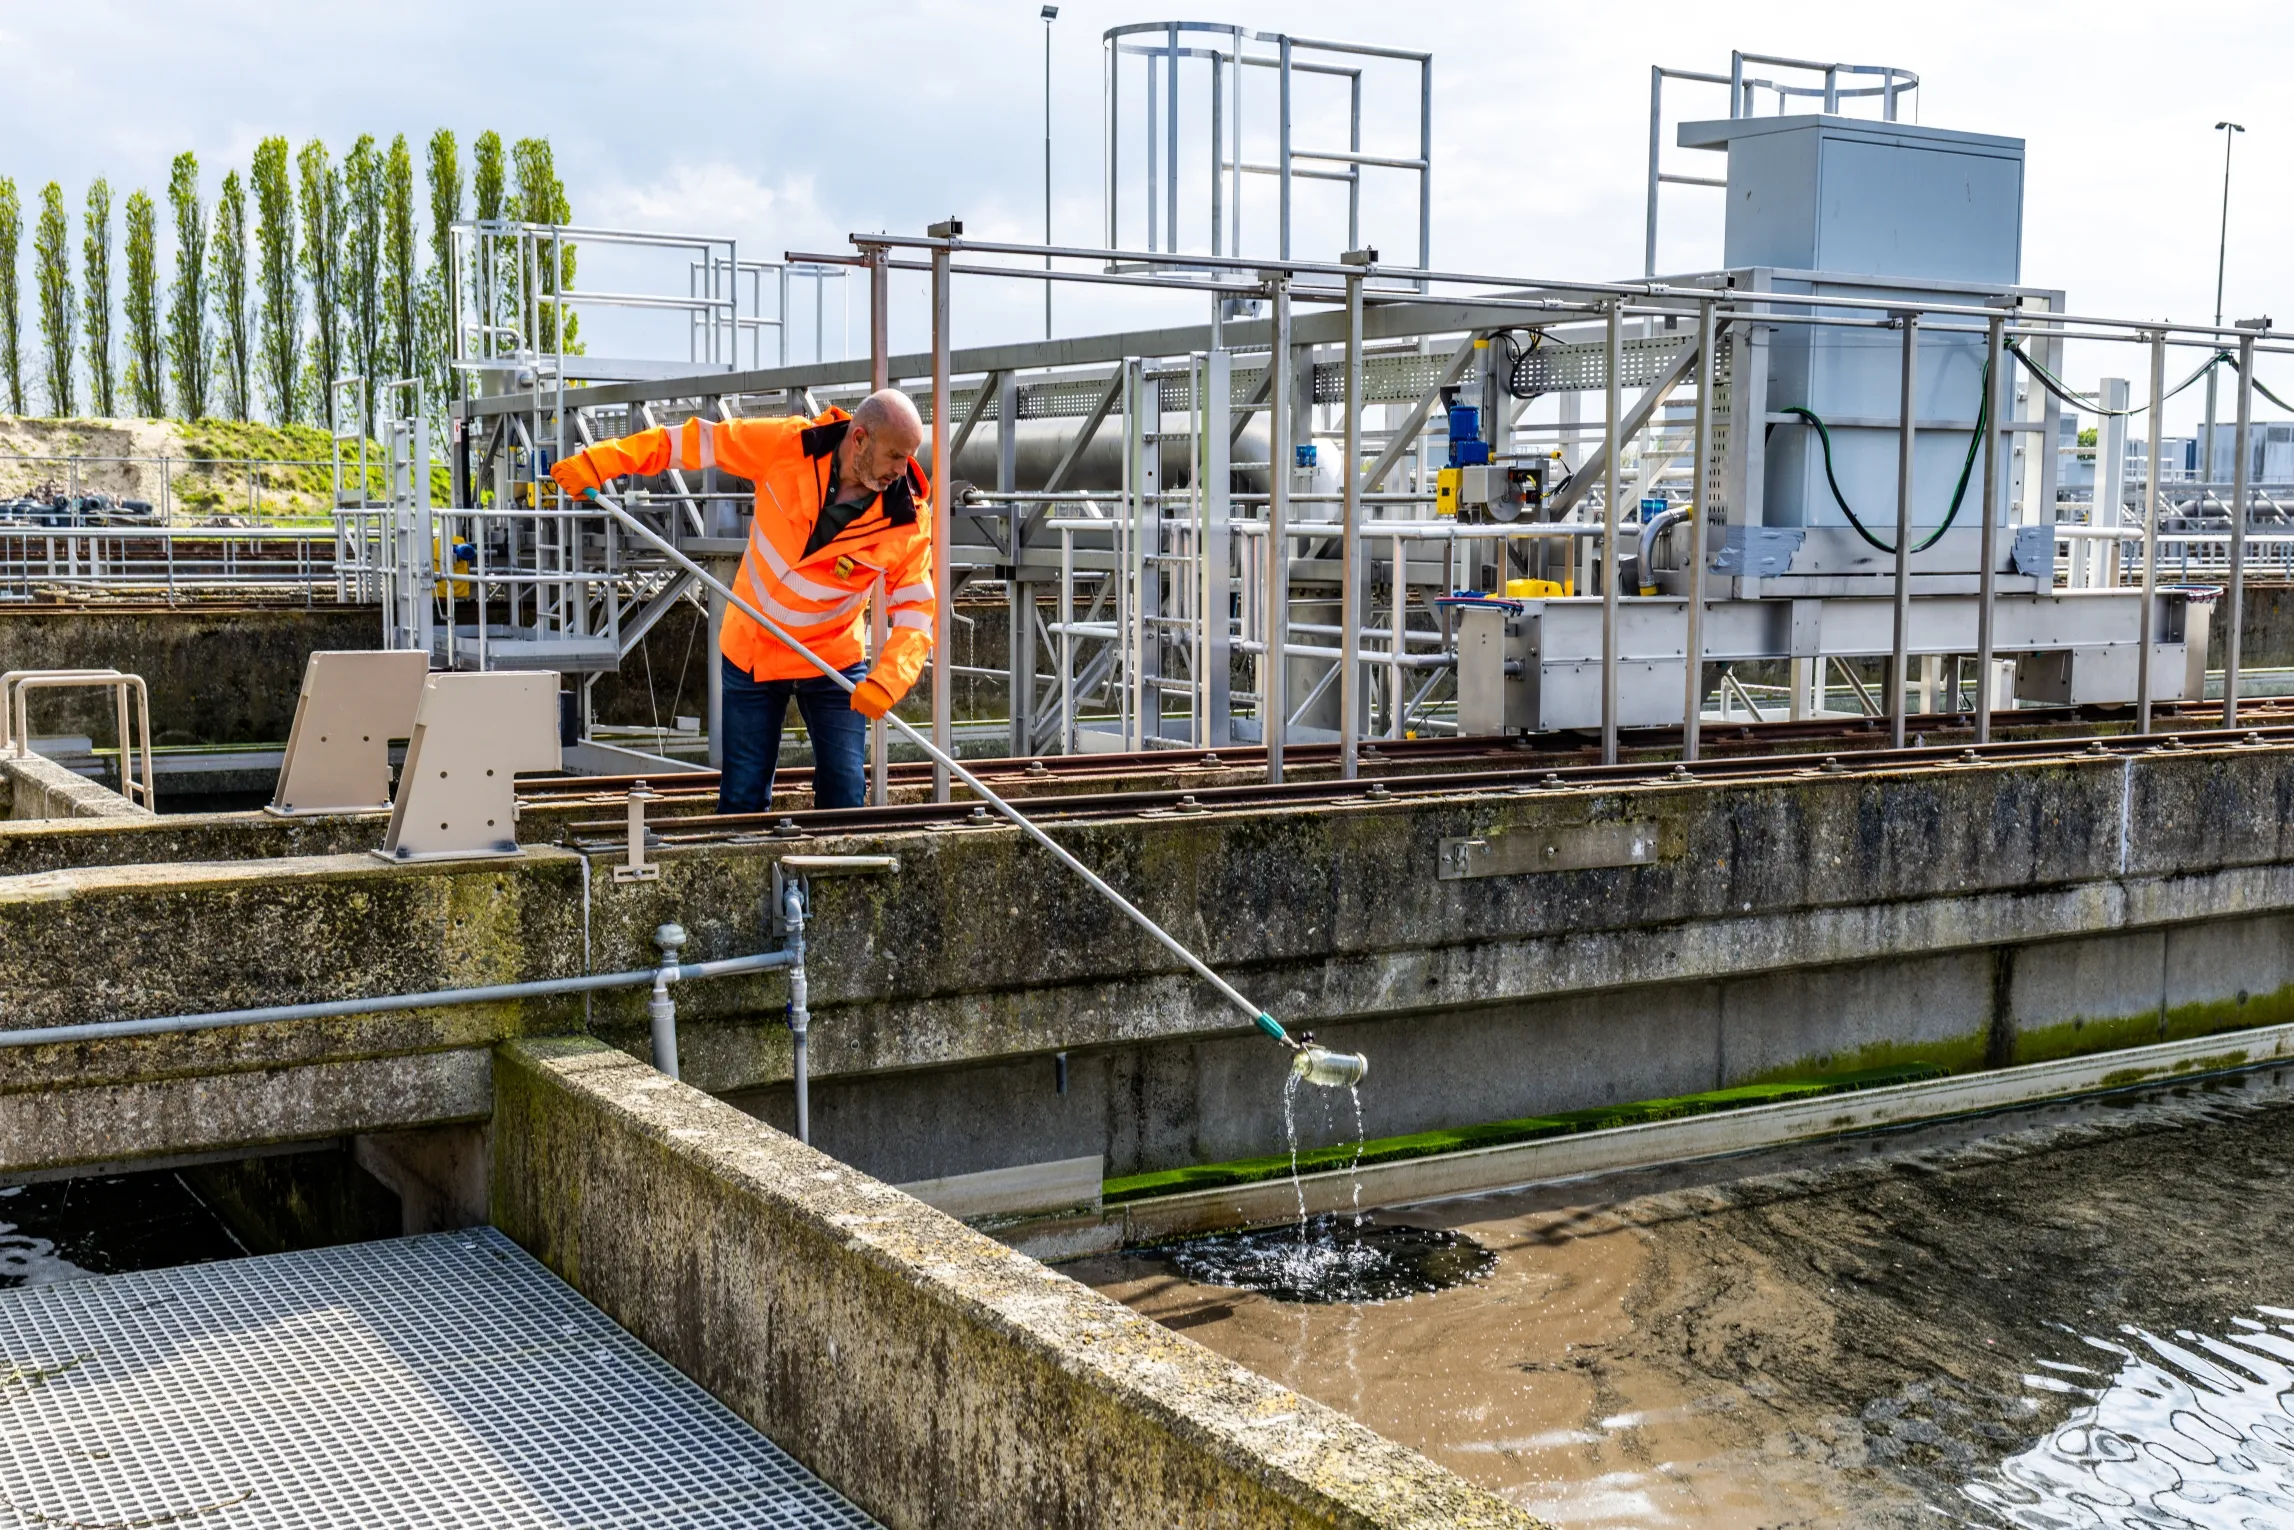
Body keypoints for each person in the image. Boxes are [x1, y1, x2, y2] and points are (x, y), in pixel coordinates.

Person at [550, 389, 935, 813]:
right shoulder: (789, 445)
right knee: (742, 798)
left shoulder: (907, 518)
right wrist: (603, 461)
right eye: (895, 456)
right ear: (858, 439)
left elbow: (916, 611)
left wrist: (888, 680)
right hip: (753, 647)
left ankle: (834, 871)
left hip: (832, 660)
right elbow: (695, 442)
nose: (901, 472)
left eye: (908, 458)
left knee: (845, 794)